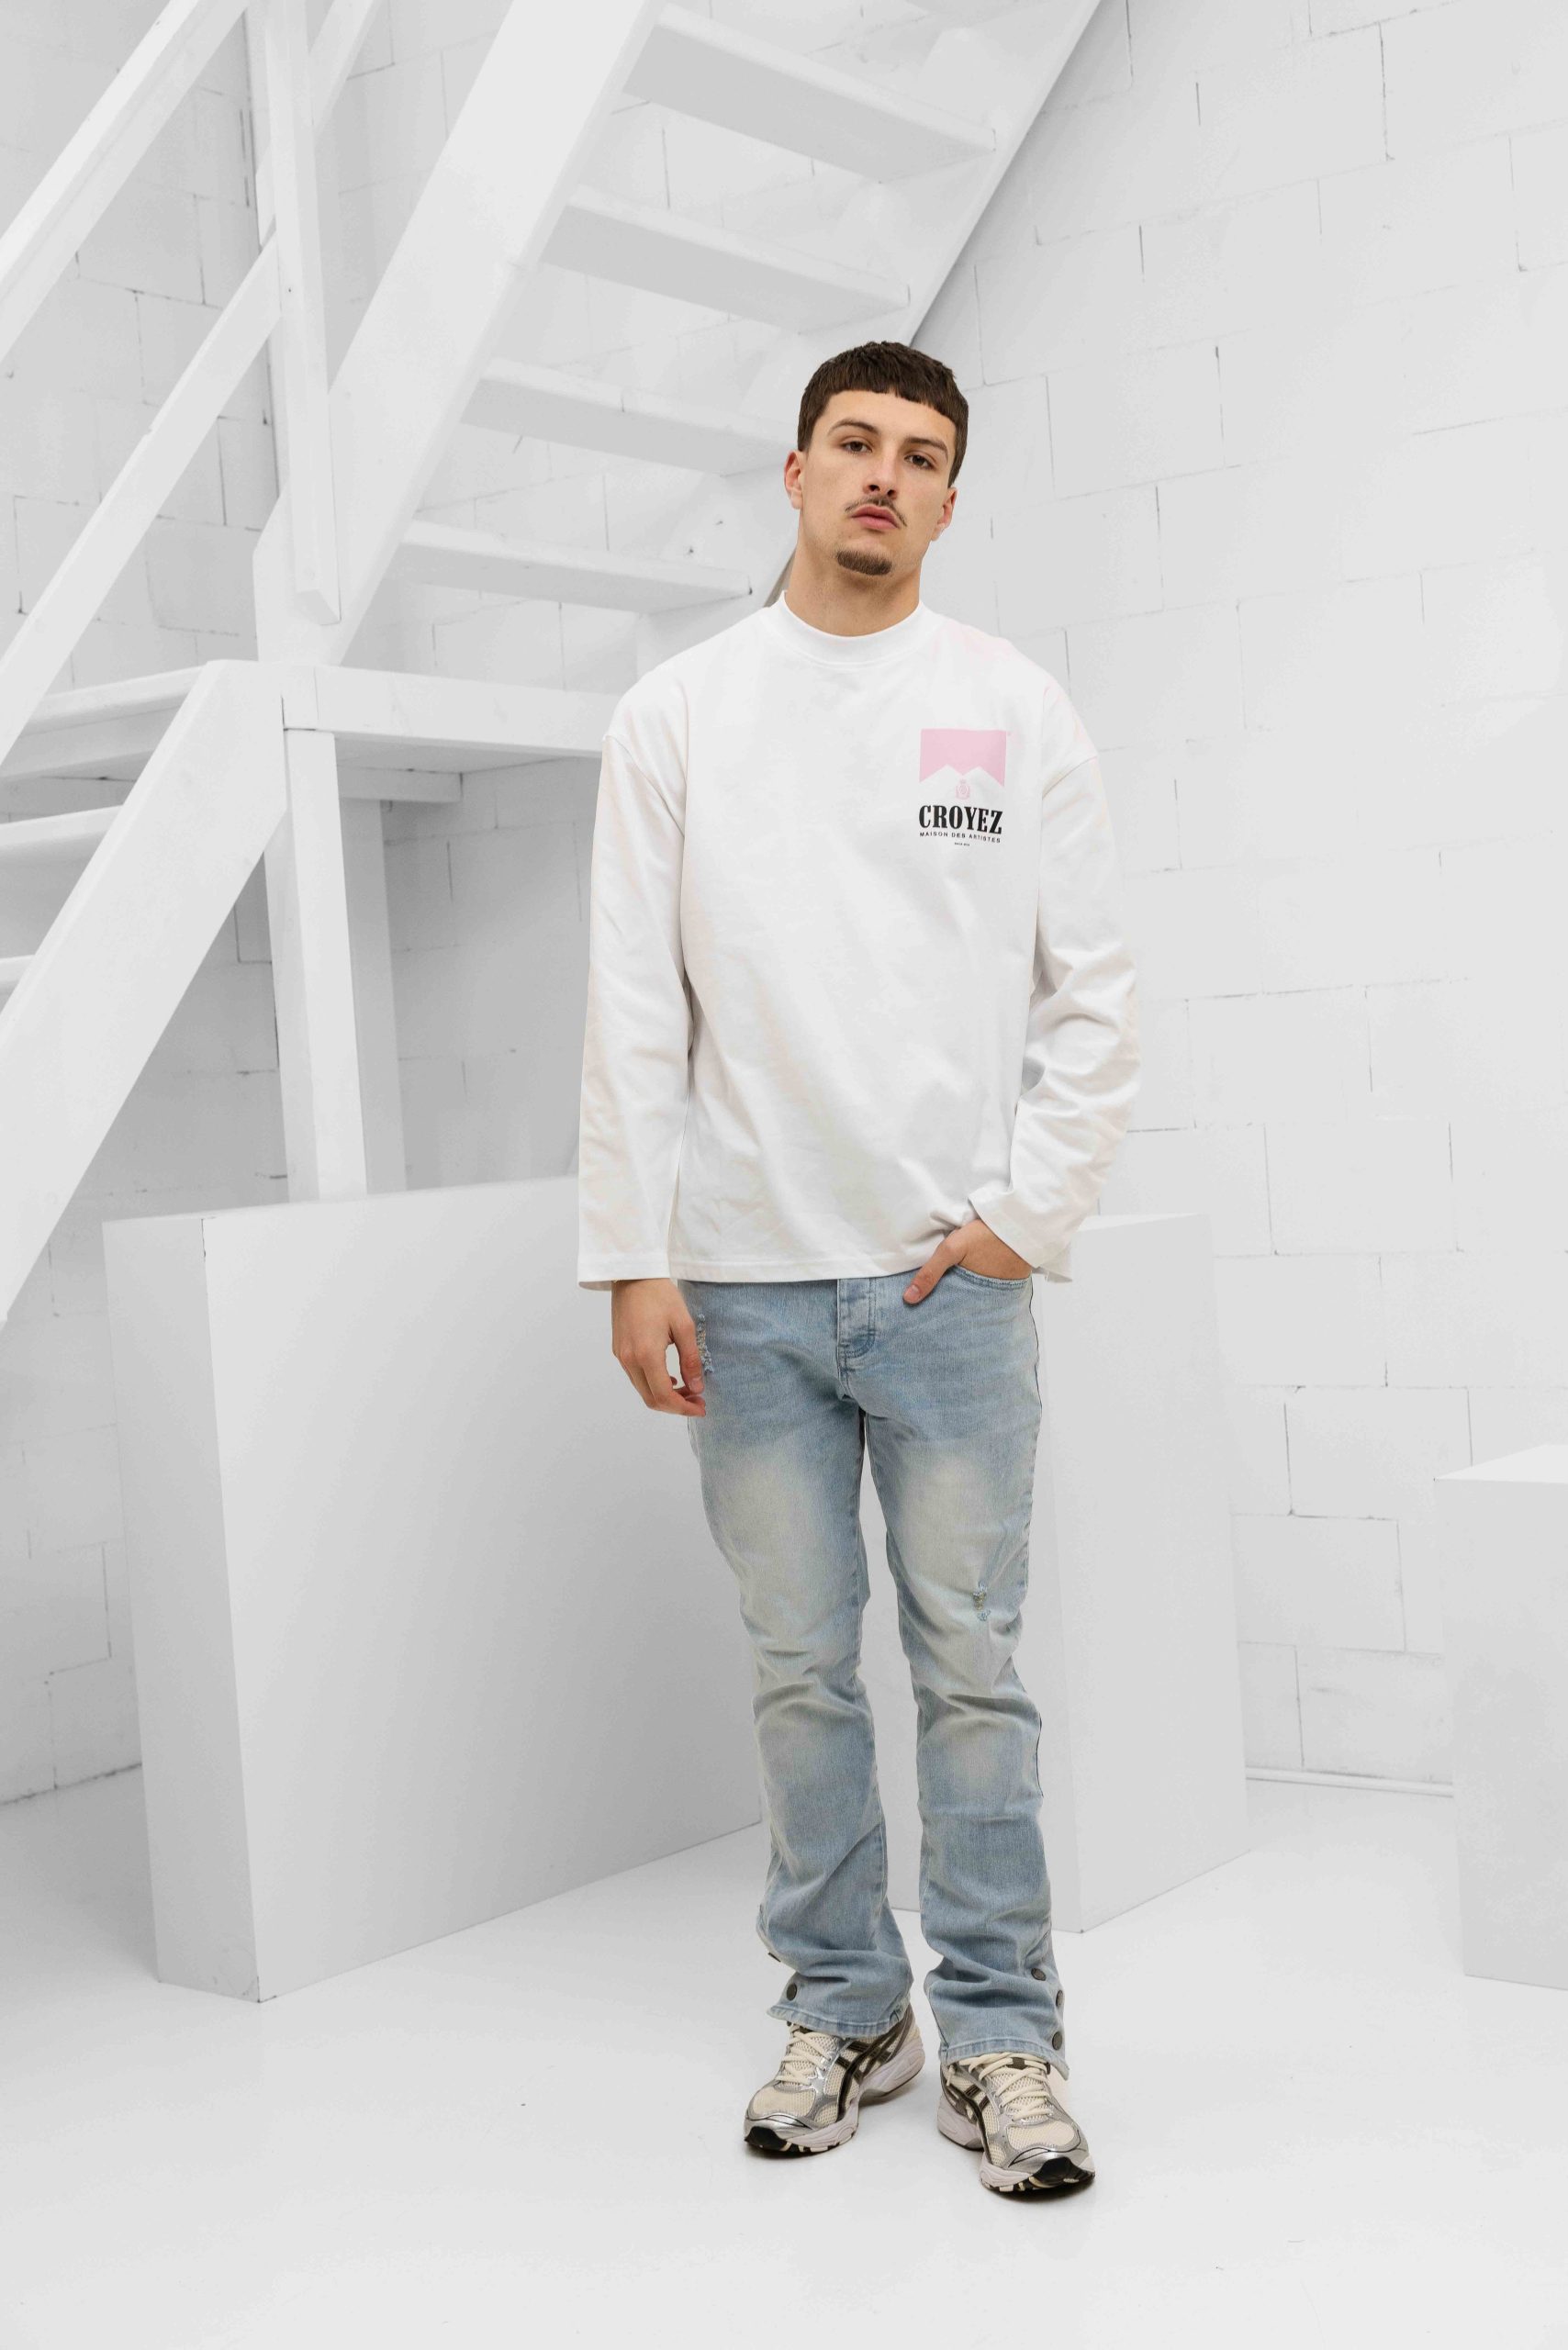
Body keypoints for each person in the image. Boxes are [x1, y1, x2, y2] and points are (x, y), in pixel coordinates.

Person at [576, 341, 1140, 2199]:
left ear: (950, 500)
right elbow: (630, 1002)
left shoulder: (1007, 703)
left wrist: (1024, 1219)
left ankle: (1000, 2036)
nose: (883, 475)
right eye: (853, 443)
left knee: (971, 1667)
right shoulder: (677, 713)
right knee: (798, 1670)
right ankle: (845, 2004)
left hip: (945, 1286)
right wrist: (631, 1255)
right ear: (797, 471)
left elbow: (1094, 992)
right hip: (740, 1286)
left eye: (919, 455)